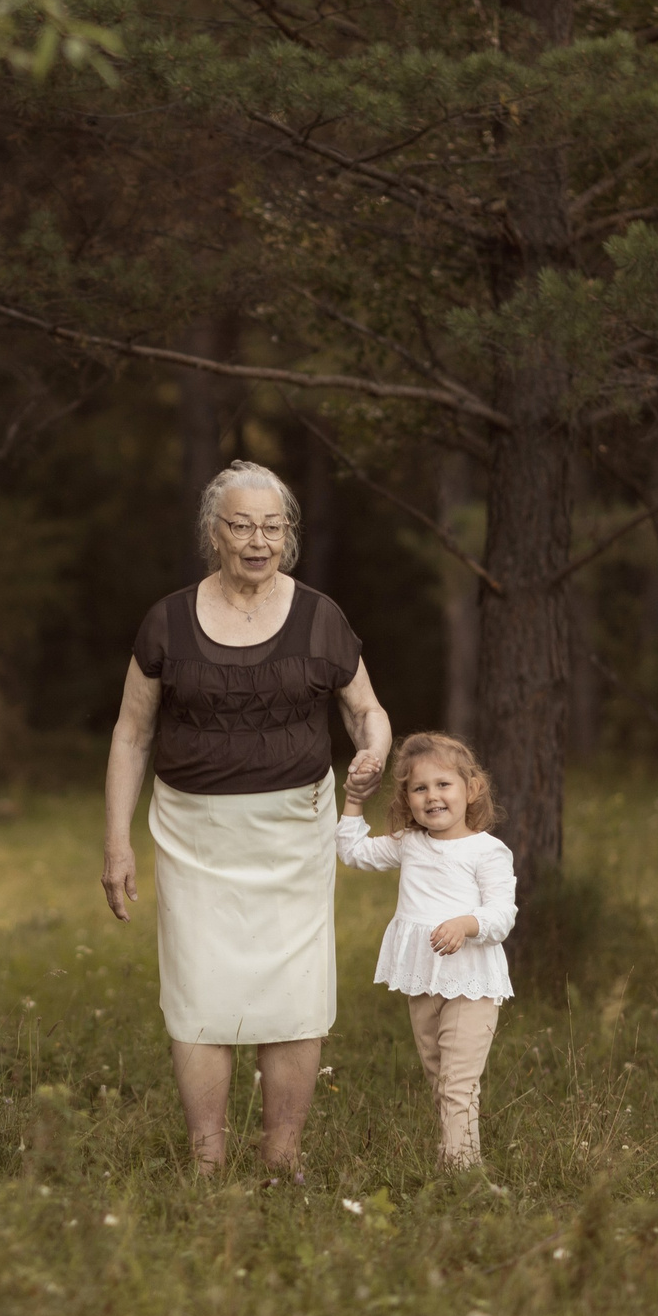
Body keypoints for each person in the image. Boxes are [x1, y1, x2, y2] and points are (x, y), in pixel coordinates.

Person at [101, 460, 390, 1175]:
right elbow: (131, 733)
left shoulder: (321, 616)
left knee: (295, 996)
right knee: (199, 994)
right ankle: (208, 1162)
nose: (259, 541)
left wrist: (376, 750)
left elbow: (365, 709)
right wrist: (116, 842)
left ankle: (282, 1157)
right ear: (214, 532)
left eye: (272, 527)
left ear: (287, 534)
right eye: (242, 526)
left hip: (295, 834)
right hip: (193, 836)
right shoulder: (168, 620)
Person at [336, 731, 517, 1171]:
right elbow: (353, 852)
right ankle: (456, 1158)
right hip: (423, 979)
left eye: (443, 784)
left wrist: (465, 924)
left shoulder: (487, 851)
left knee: (458, 1082)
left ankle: (460, 1168)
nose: (432, 796)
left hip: (471, 982)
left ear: (471, 789)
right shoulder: (410, 843)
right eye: (419, 788)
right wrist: (354, 801)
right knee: (440, 1078)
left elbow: (501, 914)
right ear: (407, 798)